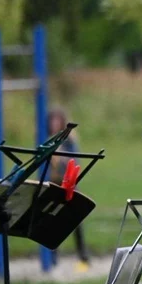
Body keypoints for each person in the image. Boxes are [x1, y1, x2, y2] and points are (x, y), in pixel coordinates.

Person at [46, 107, 90, 270]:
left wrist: (60, 155)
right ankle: (53, 257)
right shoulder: (48, 139)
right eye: (52, 120)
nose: (54, 124)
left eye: (57, 120)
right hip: (54, 184)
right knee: (52, 221)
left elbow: (74, 161)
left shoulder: (69, 140)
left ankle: (83, 255)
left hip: (69, 184)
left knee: (75, 221)